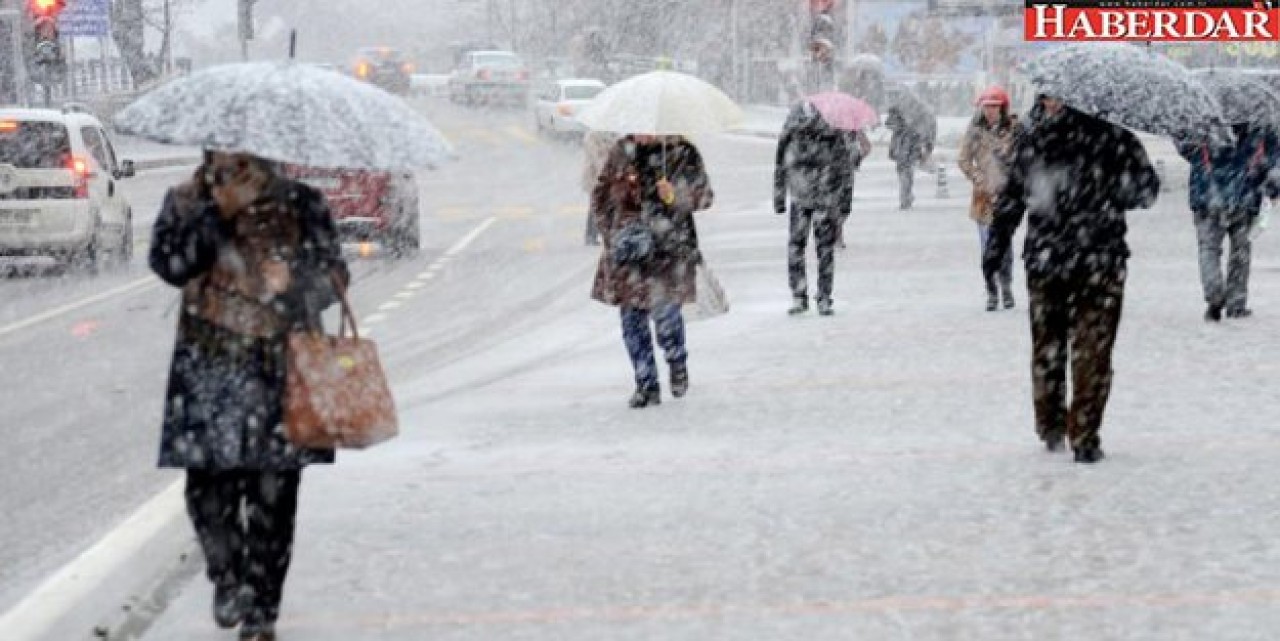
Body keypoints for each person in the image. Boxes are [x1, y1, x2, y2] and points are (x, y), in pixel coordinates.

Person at [150, 151, 350, 641]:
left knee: (274, 497)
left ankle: (262, 609)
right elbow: (171, 265)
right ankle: (228, 576)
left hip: (279, 370)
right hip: (208, 368)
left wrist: (292, 284)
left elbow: (334, 278)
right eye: (223, 150)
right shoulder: (186, 201)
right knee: (206, 489)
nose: (233, 159)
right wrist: (217, 216)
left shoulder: (301, 202)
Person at [985, 96, 1159, 464]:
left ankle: (1050, 424)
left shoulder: (1037, 140)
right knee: (1093, 350)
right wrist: (1110, 188)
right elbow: (1146, 193)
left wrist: (997, 244)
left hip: (1048, 259)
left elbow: (1013, 196)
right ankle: (1084, 433)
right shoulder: (1118, 139)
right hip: (1102, 259)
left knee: (1048, 345)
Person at [591, 134, 713, 408]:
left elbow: (704, 197)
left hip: (668, 252)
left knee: (666, 315)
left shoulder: (682, 151)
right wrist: (612, 234)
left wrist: (675, 196)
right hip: (630, 253)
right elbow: (600, 196)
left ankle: (676, 361)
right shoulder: (622, 150)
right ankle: (645, 383)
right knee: (632, 321)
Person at [1176, 123, 1279, 321]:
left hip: (1206, 193)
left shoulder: (1201, 121)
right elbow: (1273, 157)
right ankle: (1236, 304)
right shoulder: (1259, 122)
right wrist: (1272, 187)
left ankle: (1214, 295)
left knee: (1208, 249)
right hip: (1244, 194)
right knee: (1240, 252)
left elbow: (1186, 148)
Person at [773, 101, 857, 316]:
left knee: (796, 247)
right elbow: (845, 168)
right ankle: (824, 297)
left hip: (800, 197)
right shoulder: (833, 131)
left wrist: (779, 197)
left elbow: (780, 165)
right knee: (825, 249)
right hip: (825, 197)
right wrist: (845, 202)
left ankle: (799, 296)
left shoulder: (791, 130)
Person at [958, 85, 1023, 311]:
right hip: (983, 198)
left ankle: (1007, 287)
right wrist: (978, 177)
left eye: (995, 107)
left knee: (1005, 246)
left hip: (1007, 197)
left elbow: (1023, 157)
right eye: (987, 107)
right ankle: (991, 290)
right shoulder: (975, 130)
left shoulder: (1014, 129)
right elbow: (963, 159)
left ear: (1002, 108)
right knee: (988, 246)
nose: (990, 111)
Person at [886, 105, 932, 210]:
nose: (891, 127)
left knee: (906, 179)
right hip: (902, 158)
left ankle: (905, 201)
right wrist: (893, 153)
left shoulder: (908, 131)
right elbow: (894, 143)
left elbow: (915, 145)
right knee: (905, 180)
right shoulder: (898, 132)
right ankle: (907, 198)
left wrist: (914, 156)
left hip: (907, 159)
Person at [581, 130, 619, 245]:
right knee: (596, 205)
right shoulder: (592, 137)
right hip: (595, 177)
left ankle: (606, 233)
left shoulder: (615, 135)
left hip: (608, 176)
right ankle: (591, 235)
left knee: (608, 204)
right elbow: (598, 159)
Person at [838, 128, 873, 250]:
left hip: (845, 172)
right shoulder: (823, 125)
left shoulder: (853, 127)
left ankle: (836, 229)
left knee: (844, 207)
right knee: (839, 205)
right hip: (831, 172)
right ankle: (836, 233)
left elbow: (867, 147)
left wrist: (857, 157)